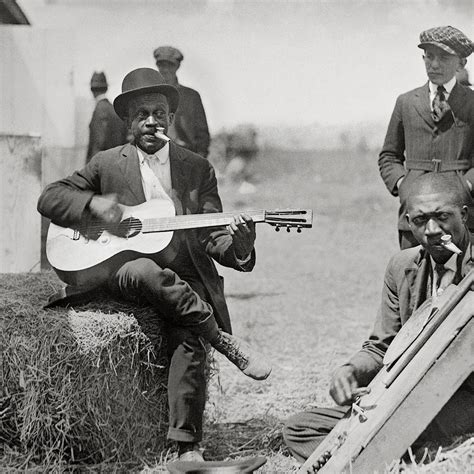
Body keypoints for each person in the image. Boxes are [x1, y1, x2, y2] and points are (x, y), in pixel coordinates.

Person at [38, 68, 271, 462]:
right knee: (146, 271)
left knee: (187, 324)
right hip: (120, 269)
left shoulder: (197, 168)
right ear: (128, 122)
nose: (151, 121)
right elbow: (49, 198)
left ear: (170, 119)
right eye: (142, 114)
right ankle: (224, 340)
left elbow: (212, 236)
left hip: (181, 277)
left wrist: (241, 244)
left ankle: (187, 448)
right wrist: (94, 205)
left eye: (159, 113)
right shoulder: (107, 163)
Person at [283, 172, 474, 463]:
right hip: (403, 395)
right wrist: (350, 371)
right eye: (421, 220)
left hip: (463, 397)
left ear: (464, 215)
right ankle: (409, 454)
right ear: (409, 223)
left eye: (443, 217)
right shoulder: (402, 267)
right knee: (299, 429)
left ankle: (398, 452)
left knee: (400, 420)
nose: (432, 229)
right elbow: (382, 346)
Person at [378, 26, 474, 250]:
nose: (435, 64)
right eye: (429, 57)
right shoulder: (406, 102)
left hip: (460, 212)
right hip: (416, 212)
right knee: (413, 277)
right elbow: (389, 156)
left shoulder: (472, 102)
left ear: (461, 63)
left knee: (463, 279)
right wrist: (404, 185)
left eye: (443, 57)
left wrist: (466, 185)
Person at [154, 46, 210, 158]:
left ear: (177, 67)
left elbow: (202, 135)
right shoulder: (149, 95)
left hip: (185, 157)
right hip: (155, 157)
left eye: (170, 65)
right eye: (161, 65)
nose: (165, 69)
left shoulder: (191, 96)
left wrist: (198, 161)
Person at [85, 71, 128, 163]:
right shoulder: (114, 110)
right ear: (106, 88)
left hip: (102, 166)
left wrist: (91, 169)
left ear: (92, 90)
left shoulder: (100, 109)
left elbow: (99, 142)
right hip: (117, 163)